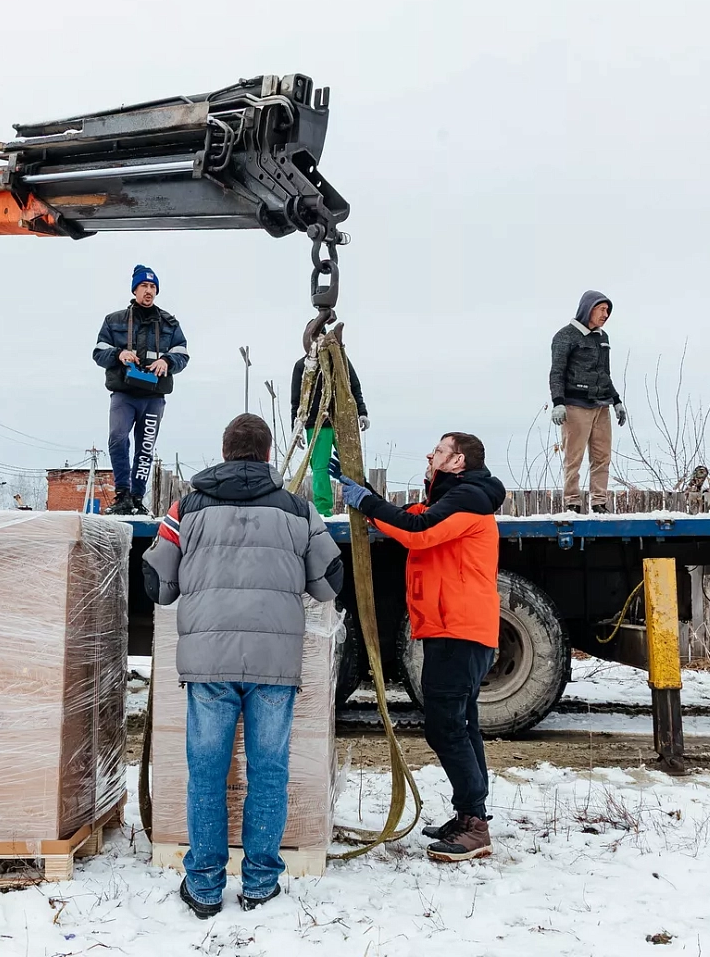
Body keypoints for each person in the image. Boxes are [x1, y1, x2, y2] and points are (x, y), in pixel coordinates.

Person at [143, 414, 344, 918]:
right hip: (274, 664)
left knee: (206, 774)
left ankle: (206, 887)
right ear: (268, 453)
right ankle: (259, 884)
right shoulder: (298, 508)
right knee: (269, 773)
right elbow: (329, 580)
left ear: (226, 450)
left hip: (208, 663)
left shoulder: (185, 506)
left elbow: (157, 584)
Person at [337, 432, 505, 862]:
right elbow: (409, 515)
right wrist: (368, 495)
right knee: (461, 724)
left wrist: (366, 503)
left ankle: (475, 824)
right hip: (453, 629)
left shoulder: (468, 498)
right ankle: (471, 815)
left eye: (440, 450)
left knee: (445, 726)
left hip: (459, 630)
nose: (430, 454)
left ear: (458, 461)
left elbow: (416, 530)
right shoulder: (454, 498)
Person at [93, 265, 188, 515]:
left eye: (153, 287)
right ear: (135, 289)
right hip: (124, 394)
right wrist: (119, 353)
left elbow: (182, 353)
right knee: (117, 438)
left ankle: (136, 497)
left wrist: (167, 361)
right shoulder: (114, 321)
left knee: (145, 448)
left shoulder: (169, 322)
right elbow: (99, 353)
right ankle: (122, 494)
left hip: (154, 397)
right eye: (144, 286)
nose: (149, 291)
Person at [549, 290, 626, 514]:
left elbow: (605, 372)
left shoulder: (603, 338)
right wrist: (558, 402)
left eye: (608, 310)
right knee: (574, 456)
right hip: (575, 404)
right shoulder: (566, 336)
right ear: (588, 309)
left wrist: (617, 401)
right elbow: (557, 372)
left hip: (601, 404)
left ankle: (599, 502)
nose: (606, 314)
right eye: (602, 309)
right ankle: (572, 501)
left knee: (602, 456)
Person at [290, 351, 369, 517]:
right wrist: (296, 428)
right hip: (316, 423)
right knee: (320, 468)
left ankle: (365, 504)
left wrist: (362, 412)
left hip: (343, 421)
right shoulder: (302, 365)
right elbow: (296, 400)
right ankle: (324, 513)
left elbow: (354, 386)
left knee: (353, 464)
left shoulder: (340, 360)